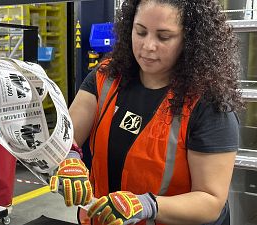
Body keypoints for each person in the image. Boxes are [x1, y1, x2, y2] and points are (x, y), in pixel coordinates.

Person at [50, 0, 243, 224]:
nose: (148, 46)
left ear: (189, 40)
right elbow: (66, 136)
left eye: (164, 37)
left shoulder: (208, 104)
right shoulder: (106, 76)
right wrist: (69, 157)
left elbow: (210, 202)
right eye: (140, 32)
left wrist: (147, 205)